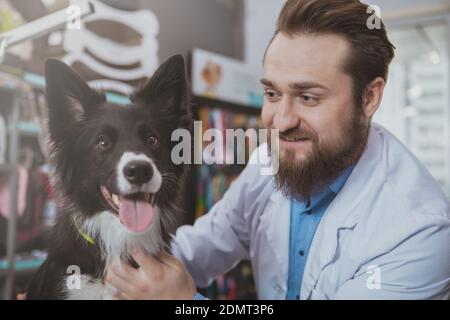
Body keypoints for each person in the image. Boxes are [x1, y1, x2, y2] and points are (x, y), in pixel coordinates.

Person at [105, 0, 450, 300]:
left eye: (308, 97)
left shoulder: (419, 232)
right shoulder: (269, 164)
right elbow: (198, 249)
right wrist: (118, 259)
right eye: (272, 94)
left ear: (369, 97)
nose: (281, 121)